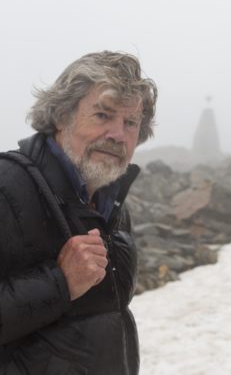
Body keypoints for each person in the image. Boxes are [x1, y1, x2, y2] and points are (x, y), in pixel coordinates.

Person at [0, 51, 157, 374]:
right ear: (61, 116)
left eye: (130, 122)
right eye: (102, 115)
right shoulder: (6, 186)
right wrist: (59, 283)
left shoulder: (113, 204)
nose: (118, 134)